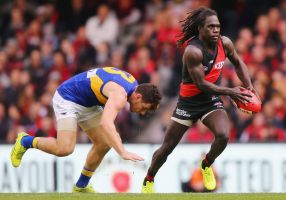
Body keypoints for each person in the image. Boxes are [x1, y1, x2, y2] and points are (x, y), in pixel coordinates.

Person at [142, 7, 257, 193]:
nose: (216, 30)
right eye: (211, 26)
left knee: (223, 135)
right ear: (200, 29)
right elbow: (201, 84)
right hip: (188, 104)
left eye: (218, 26)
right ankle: (149, 178)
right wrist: (231, 91)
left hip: (210, 101)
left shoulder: (225, 43)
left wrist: (249, 87)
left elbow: (238, 62)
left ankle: (206, 165)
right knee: (167, 148)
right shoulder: (192, 51)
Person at [10, 66, 161, 193]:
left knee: (104, 142)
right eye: (145, 108)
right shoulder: (120, 95)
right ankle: (25, 141)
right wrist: (122, 151)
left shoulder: (132, 84)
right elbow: (106, 123)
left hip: (89, 103)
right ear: (139, 97)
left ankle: (81, 185)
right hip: (68, 98)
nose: (142, 112)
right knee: (65, 148)